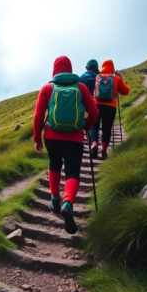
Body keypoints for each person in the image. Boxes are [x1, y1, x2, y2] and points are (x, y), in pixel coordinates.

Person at [33, 56, 99, 234]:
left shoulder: (47, 88)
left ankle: (55, 199)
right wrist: (87, 126)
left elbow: (38, 116)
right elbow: (94, 111)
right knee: (72, 172)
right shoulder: (80, 87)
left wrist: (37, 139)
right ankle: (67, 203)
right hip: (75, 138)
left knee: (54, 165)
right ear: (70, 69)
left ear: (54, 69)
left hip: (51, 136)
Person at [89, 59, 130, 159]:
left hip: (96, 105)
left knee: (94, 126)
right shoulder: (116, 78)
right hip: (110, 107)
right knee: (106, 128)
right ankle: (103, 148)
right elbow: (125, 91)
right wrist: (120, 78)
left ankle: (94, 144)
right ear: (112, 67)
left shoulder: (97, 77)